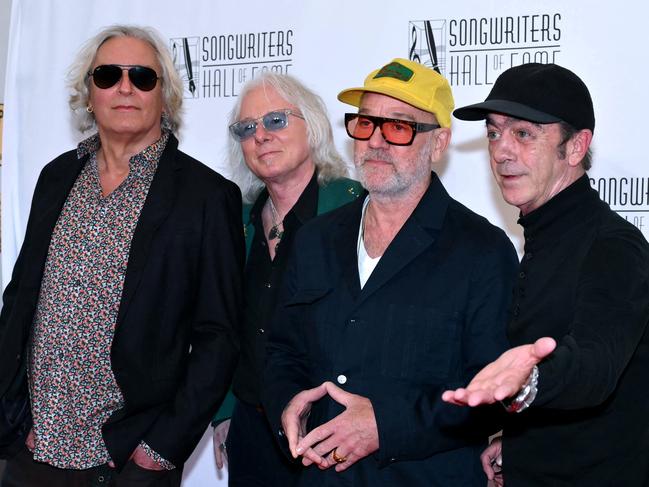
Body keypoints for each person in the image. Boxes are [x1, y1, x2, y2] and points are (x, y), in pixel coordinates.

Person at [0, 25, 244, 487]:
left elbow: (219, 336)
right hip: (34, 452)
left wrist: (160, 449)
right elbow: (20, 301)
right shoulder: (56, 178)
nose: (125, 87)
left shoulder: (206, 197)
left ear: (165, 97)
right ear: (89, 93)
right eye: (108, 75)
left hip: (127, 461)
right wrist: (13, 417)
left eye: (142, 77)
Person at [262, 58, 518, 486]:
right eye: (366, 123)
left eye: (398, 127)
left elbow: (492, 393)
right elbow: (283, 351)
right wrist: (287, 404)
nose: (376, 141)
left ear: (439, 144)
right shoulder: (315, 239)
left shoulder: (482, 251)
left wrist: (385, 425)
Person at [444, 62, 649, 486]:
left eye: (524, 134)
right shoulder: (541, 237)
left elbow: (594, 363)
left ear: (575, 148)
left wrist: (528, 381)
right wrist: (517, 445)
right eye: (494, 132)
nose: (501, 150)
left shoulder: (614, 246)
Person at [210, 72, 362, 486]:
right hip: (252, 428)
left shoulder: (356, 210)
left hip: (332, 429)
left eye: (276, 120)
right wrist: (225, 413)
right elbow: (220, 325)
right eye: (246, 128)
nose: (260, 135)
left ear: (311, 127)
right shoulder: (236, 220)